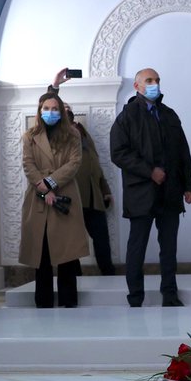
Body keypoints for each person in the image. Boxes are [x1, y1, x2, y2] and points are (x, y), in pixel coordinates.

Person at [110, 68, 191, 307]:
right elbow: (118, 153)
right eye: (149, 80)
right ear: (137, 86)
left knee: (169, 248)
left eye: (157, 80)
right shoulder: (127, 117)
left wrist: (190, 186)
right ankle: (135, 297)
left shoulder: (169, 115)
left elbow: (183, 153)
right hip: (141, 193)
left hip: (170, 192)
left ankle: (169, 295)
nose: (154, 84)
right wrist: (149, 171)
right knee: (137, 247)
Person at [19, 92, 89, 307]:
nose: (51, 112)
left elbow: (74, 163)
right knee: (42, 254)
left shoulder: (72, 135)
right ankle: (43, 302)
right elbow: (28, 165)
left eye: (54, 108)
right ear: (40, 111)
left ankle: (69, 302)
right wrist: (43, 188)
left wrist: (50, 182)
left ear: (61, 110)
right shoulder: (29, 136)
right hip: (38, 197)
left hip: (64, 193)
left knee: (67, 253)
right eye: (46, 108)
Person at [65, 104, 115, 275]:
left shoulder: (82, 131)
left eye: (67, 108)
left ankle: (108, 273)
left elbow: (95, 164)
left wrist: (105, 189)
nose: (65, 111)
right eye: (61, 108)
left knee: (101, 238)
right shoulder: (57, 136)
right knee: (73, 241)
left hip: (94, 196)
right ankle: (75, 278)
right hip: (72, 196)